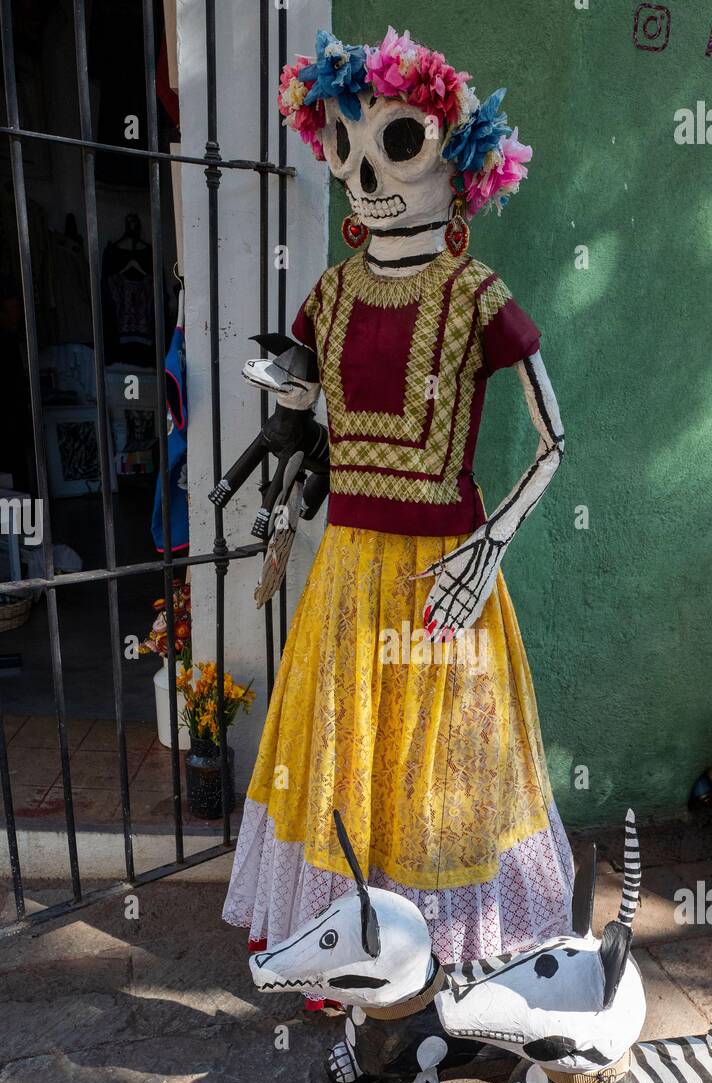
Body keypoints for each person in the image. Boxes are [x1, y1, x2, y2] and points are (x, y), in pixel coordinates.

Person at [222, 27, 574, 1009]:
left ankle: (447, 965)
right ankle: (357, 959)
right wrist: (287, 470)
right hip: (349, 569)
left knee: (443, 770)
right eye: (342, 143)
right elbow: (296, 411)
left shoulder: (475, 294)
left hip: (442, 576)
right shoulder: (326, 297)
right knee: (350, 757)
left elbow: (555, 442)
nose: (363, 169)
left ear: (457, 159)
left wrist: (490, 541)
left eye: (396, 141)